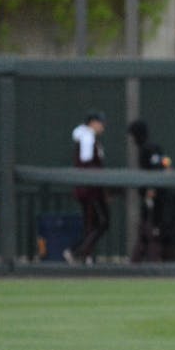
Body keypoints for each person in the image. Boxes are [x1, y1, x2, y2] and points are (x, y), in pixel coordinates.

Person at [127, 120, 175, 262]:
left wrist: (151, 191)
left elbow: (160, 168)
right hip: (158, 202)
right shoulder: (147, 149)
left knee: (161, 233)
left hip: (164, 202)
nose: (132, 139)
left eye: (133, 135)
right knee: (148, 232)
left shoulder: (149, 149)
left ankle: (164, 264)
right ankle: (140, 264)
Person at [64, 110, 108, 265]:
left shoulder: (89, 137)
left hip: (90, 188)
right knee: (98, 222)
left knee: (95, 222)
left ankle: (82, 253)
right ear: (92, 123)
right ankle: (79, 253)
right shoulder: (87, 137)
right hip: (89, 189)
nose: (103, 125)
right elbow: (86, 160)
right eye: (100, 122)